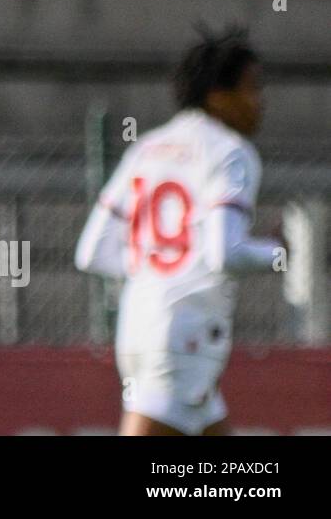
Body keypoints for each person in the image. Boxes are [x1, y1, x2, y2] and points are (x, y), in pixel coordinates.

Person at [75, 25, 284, 435]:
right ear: (218, 96)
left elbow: (92, 252)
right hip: (185, 336)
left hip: (139, 325)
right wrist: (279, 254)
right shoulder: (231, 152)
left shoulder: (147, 147)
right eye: (252, 88)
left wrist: (157, 275)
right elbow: (225, 253)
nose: (261, 102)